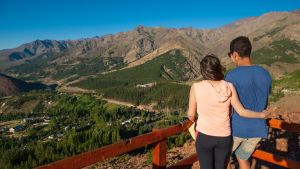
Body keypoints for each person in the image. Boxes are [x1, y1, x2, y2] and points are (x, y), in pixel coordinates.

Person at [187, 54, 266, 169]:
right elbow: (242, 111)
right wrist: (261, 114)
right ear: (218, 68)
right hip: (224, 137)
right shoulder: (229, 87)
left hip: (204, 135)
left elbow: (191, 114)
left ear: (203, 71)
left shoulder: (196, 87)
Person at [226, 36, 272, 169]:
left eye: (231, 55)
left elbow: (228, 105)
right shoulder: (265, 73)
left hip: (237, 128)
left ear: (235, 54)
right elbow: (264, 99)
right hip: (258, 130)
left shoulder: (231, 76)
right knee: (242, 157)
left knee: (223, 158)